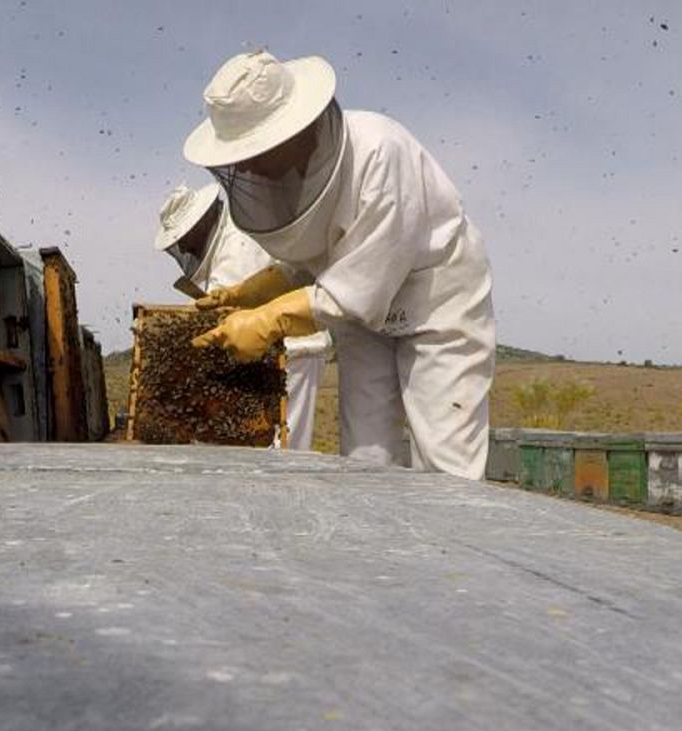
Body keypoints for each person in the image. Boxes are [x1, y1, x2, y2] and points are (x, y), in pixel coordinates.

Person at [186, 50, 496, 478]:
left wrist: (270, 319)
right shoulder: (289, 177)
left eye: (253, 151)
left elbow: (358, 289)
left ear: (289, 131)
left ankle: (453, 545)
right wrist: (253, 291)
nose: (247, 166)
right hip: (361, 313)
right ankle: (380, 546)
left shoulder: (379, 155)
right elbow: (317, 257)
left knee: (446, 461)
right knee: (365, 458)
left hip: (435, 300)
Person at [153, 183, 330, 451]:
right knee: (273, 445)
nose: (185, 249)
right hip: (276, 352)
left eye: (184, 239)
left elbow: (224, 326)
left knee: (286, 448)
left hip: (292, 354)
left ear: (199, 225)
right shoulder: (230, 238)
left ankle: (287, 492)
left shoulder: (236, 248)